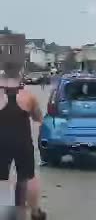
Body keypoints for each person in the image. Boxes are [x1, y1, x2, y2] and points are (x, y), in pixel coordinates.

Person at [0, 66, 46, 220]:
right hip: (22, 143)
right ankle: (34, 212)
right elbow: (39, 119)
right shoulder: (28, 96)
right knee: (27, 177)